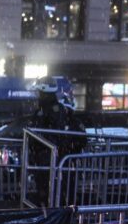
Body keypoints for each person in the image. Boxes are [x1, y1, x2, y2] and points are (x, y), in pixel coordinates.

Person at [26, 77, 86, 206]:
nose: (37, 96)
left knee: (48, 196)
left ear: (44, 93)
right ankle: (64, 216)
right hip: (64, 163)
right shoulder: (64, 111)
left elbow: (36, 136)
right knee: (64, 194)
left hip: (48, 162)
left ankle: (52, 219)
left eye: (39, 93)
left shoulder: (44, 113)